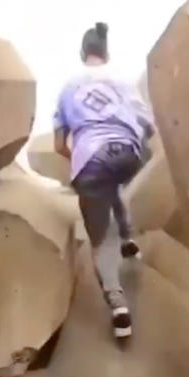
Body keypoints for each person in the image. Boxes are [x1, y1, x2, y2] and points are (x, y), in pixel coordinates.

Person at [52, 22, 155, 339]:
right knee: (114, 183)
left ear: (83, 53)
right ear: (106, 53)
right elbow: (148, 125)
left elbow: (58, 145)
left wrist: (83, 163)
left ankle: (118, 308)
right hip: (129, 152)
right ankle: (129, 238)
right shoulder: (123, 82)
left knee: (100, 243)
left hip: (91, 159)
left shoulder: (68, 89)